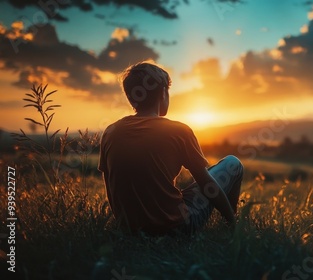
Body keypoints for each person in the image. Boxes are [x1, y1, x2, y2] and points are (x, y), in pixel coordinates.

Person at [98, 61, 243, 236]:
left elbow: (111, 188)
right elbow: (207, 186)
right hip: (176, 229)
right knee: (232, 163)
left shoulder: (111, 132)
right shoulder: (178, 131)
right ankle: (231, 226)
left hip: (130, 231)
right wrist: (235, 226)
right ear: (163, 93)